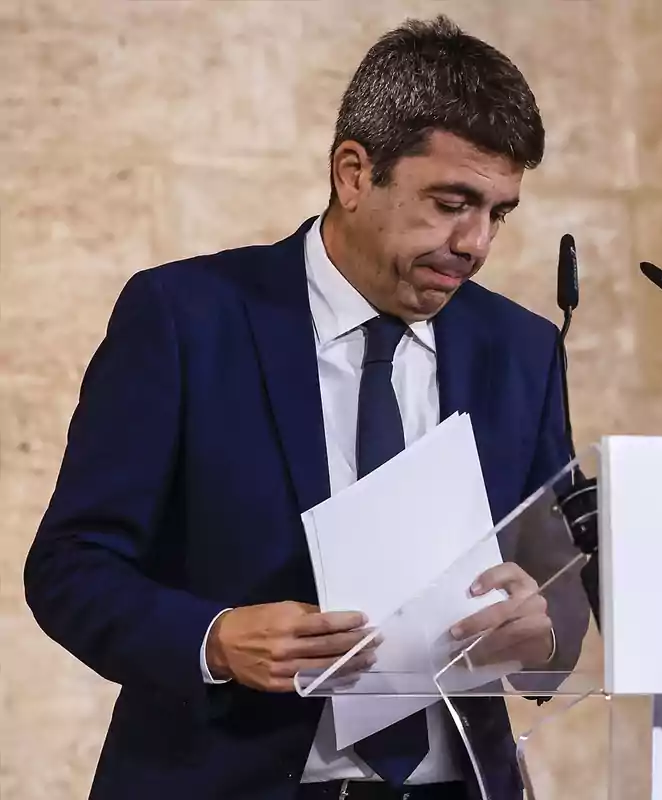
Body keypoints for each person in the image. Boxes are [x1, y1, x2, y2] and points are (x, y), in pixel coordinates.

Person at [23, 16, 590, 800]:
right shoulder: (186, 318)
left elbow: (556, 570)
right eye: (452, 202)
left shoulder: (521, 349)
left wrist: (548, 626)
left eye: (499, 212)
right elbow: (69, 568)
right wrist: (214, 640)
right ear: (354, 174)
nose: (475, 243)